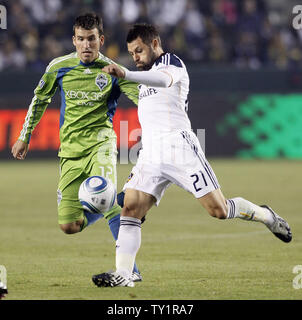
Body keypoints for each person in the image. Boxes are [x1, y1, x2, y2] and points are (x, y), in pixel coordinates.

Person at [92, 23, 292, 288]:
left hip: (180, 148)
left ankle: (265, 215)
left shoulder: (171, 63)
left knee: (218, 210)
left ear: (154, 44)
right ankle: (125, 273)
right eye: (131, 53)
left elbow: (164, 80)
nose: (136, 57)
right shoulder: (142, 75)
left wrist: (126, 73)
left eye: (139, 50)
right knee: (130, 209)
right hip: (150, 153)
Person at [11, 13, 142, 282]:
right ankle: (119, 201)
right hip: (70, 151)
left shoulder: (114, 70)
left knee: (104, 199)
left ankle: (129, 271)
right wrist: (25, 135)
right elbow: (39, 100)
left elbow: (144, 99)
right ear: (73, 40)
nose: (86, 45)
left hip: (101, 145)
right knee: (69, 226)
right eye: (81, 39)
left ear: (101, 40)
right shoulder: (59, 67)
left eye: (91, 39)